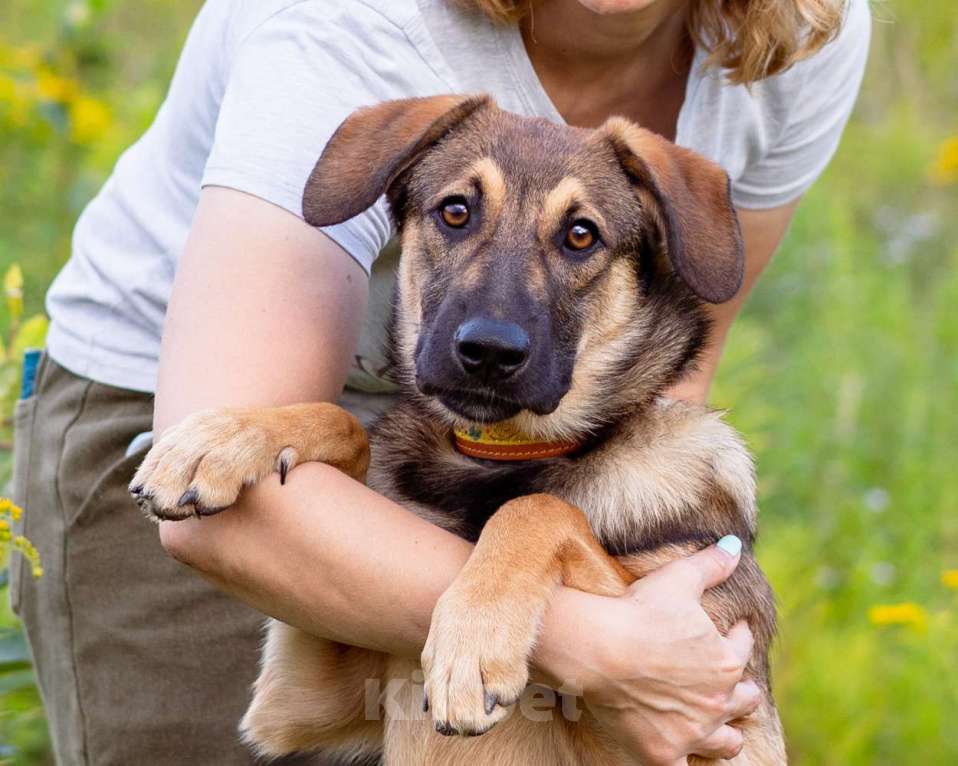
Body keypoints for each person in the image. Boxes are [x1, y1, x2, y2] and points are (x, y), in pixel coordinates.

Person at [10, 0, 870, 763]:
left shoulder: (795, 33)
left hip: (472, 445)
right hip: (191, 392)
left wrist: (556, 558)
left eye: (576, 240)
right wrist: (596, 644)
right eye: (457, 214)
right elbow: (277, 670)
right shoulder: (349, 27)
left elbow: (669, 368)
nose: (501, 309)